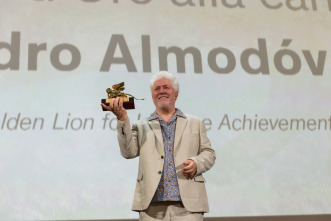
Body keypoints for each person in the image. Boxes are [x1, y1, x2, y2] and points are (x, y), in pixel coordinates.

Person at [101, 71, 216, 221]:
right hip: (151, 208)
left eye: (166, 87)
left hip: (188, 207)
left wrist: (197, 163)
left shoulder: (196, 123)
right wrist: (122, 118)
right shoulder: (141, 126)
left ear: (176, 94)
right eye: (157, 89)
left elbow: (209, 153)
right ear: (152, 96)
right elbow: (128, 152)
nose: (161, 91)